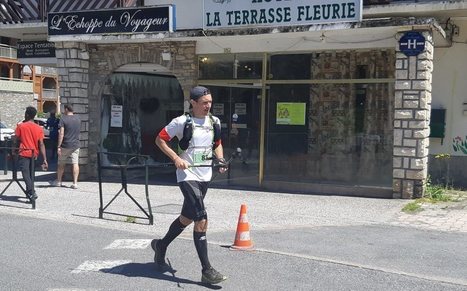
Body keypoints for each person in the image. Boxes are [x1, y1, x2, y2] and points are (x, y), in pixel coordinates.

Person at [153, 86, 228, 285]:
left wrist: (220, 160)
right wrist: (176, 158)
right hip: (186, 175)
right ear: (193, 103)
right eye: (204, 103)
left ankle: (161, 245)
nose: (208, 106)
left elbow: (218, 143)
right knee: (201, 218)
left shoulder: (214, 122)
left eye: (210, 102)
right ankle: (207, 270)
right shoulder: (181, 122)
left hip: (205, 175)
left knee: (186, 218)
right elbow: (160, 140)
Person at [14, 106, 48, 201]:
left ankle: (31, 192)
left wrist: (13, 151)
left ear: (27, 115)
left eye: (25, 113)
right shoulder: (38, 128)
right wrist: (45, 159)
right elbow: (41, 144)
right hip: (34, 154)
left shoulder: (21, 126)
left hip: (23, 153)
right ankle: (29, 194)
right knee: (31, 175)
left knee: (25, 174)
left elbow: (16, 140)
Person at [50, 104, 81, 189]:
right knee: (75, 163)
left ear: (66, 109)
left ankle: (59, 181)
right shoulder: (78, 119)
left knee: (61, 164)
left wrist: (59, 146)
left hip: (65, 145)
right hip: (75, 144)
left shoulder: (63, 119)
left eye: (64, 109)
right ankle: (75, 183)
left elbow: (61, 133)